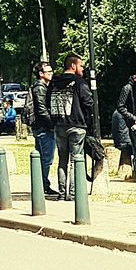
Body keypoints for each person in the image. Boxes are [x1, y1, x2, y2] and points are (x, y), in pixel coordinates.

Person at [49, 53, 94, 199]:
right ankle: (74, 193)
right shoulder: (79, 82)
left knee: (62, 159)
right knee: (76, 159)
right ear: (73, 66)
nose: (82, 68)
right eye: (81, 65)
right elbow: (88, 102)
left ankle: (62, 193)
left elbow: (47, 99)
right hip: (76, 124)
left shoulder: (54, 81)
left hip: (59, 124)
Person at [28, 61, 57, 200]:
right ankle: (43, 185)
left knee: (42, 158)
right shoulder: (40, 87)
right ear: (41, 74)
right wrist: (52, 124)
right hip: (43, 128)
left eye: (52, 71)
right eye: (48, 72)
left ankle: (42, 184)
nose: (51, 74)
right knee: (46, 158)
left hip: (42, 127)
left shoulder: (43, 86)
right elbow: (42, 109)